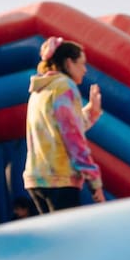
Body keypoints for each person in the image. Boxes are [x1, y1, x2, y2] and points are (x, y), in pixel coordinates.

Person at [23, 37, 105, 213]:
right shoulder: (64, 86)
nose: (85, 70)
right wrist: (94, 180)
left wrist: (91, 111)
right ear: (69, 63)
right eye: (82, 64)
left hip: (36, 179)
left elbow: (62, 127)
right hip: (59, 180)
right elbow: (73, 137)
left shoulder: (40, 89)